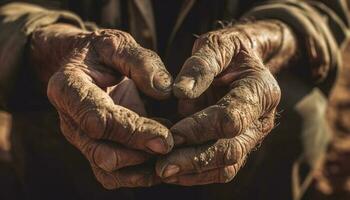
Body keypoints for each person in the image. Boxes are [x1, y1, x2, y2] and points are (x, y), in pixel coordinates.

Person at [0, 0, 348, 199]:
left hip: (226, 126)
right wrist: (59, 50)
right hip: (69, 139)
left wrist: (260, 40)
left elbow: (320, 10)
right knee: (54, 105)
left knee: (297, 105)